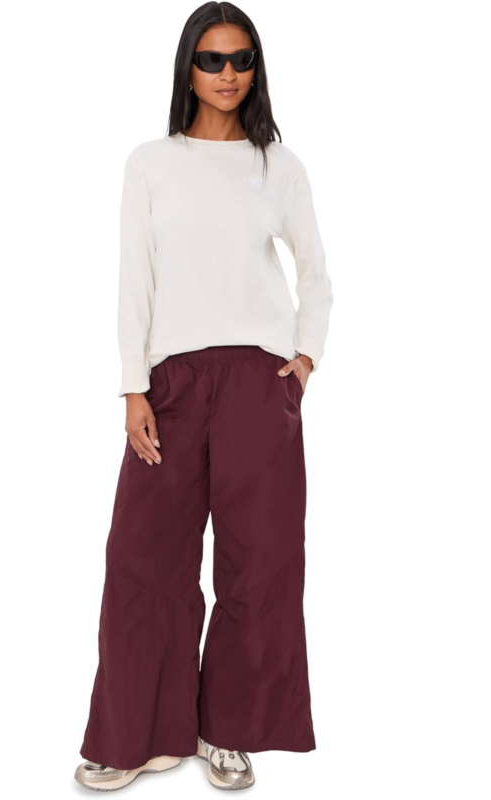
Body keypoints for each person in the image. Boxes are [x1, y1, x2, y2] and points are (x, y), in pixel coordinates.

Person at [75, 2, 334, 792]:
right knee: (143, 558)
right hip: (173, 385)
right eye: (212, 59)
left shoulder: (277, 166)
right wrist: (133, 386)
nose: (228, 74)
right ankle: (141, 735)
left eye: (242, 59)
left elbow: (316, 274)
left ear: (256, 69)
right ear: (187, 68)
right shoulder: (150, 163)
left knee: (262, 563)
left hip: (260, 383)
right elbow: (135, 280)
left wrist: (304, 361)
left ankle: (228, 729)